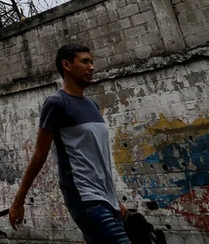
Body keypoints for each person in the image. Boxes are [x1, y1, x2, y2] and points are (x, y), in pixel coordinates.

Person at [9, 43, 131, 243]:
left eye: (91, 62)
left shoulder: (92, 105)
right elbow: (39, 155)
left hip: (106, 200)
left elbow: (96, 159)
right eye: (85, 62)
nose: (92, 67)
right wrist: (18, 201)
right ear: (66, 65)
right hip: (84, 199)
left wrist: (115, 201)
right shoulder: (57, 103)